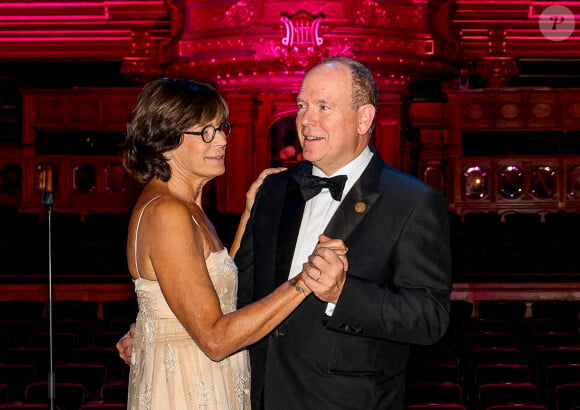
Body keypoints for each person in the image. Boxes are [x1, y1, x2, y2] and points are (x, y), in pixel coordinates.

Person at [119, 56, 452, 409]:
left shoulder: (413, 201)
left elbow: (430, 319)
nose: (306, 119)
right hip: (258, 395)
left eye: (323, 107)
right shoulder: (274, 189)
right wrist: (164, 328)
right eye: (302, 106)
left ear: (364, 118)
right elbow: (236, 294)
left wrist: (343, 292)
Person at [120, 77, 348, 409]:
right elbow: (215, 338)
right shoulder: (167, 213)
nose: (223, 140)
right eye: (206, 132)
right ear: (164, 144)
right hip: (188, 389)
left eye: (222, 127)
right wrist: (305, 280)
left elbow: (218, 279)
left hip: (206, 378)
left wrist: (249, 213)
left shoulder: (187, 206)